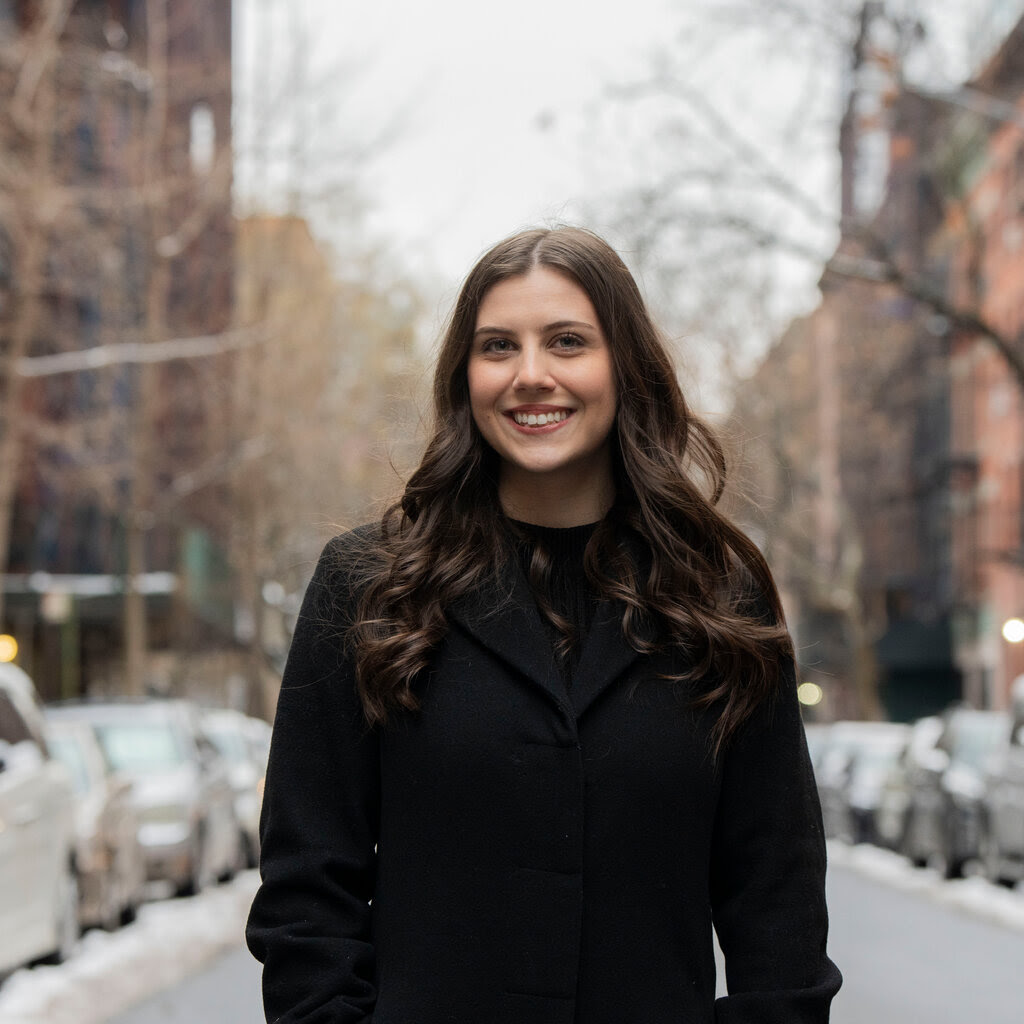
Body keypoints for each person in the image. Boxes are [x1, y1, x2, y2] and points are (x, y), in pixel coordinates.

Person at [246, 226, 842, 1024]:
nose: (532, 376)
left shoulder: (718, 595)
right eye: (498, 347)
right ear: (465, 376)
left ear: (623, 368)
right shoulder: (368, 588)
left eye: (567, 342)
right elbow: (306, 887)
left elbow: (778, 893)